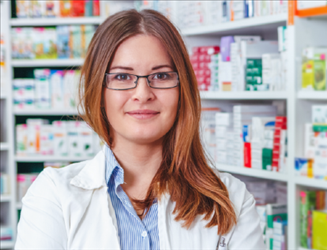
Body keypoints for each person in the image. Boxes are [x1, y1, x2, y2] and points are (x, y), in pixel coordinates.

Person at [15, 9, 265, 250]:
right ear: (98, 90)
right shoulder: (53, 195)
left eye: (162, 76)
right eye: (122, 77)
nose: (143, 94)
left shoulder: (231, 199)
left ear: (182, 89)